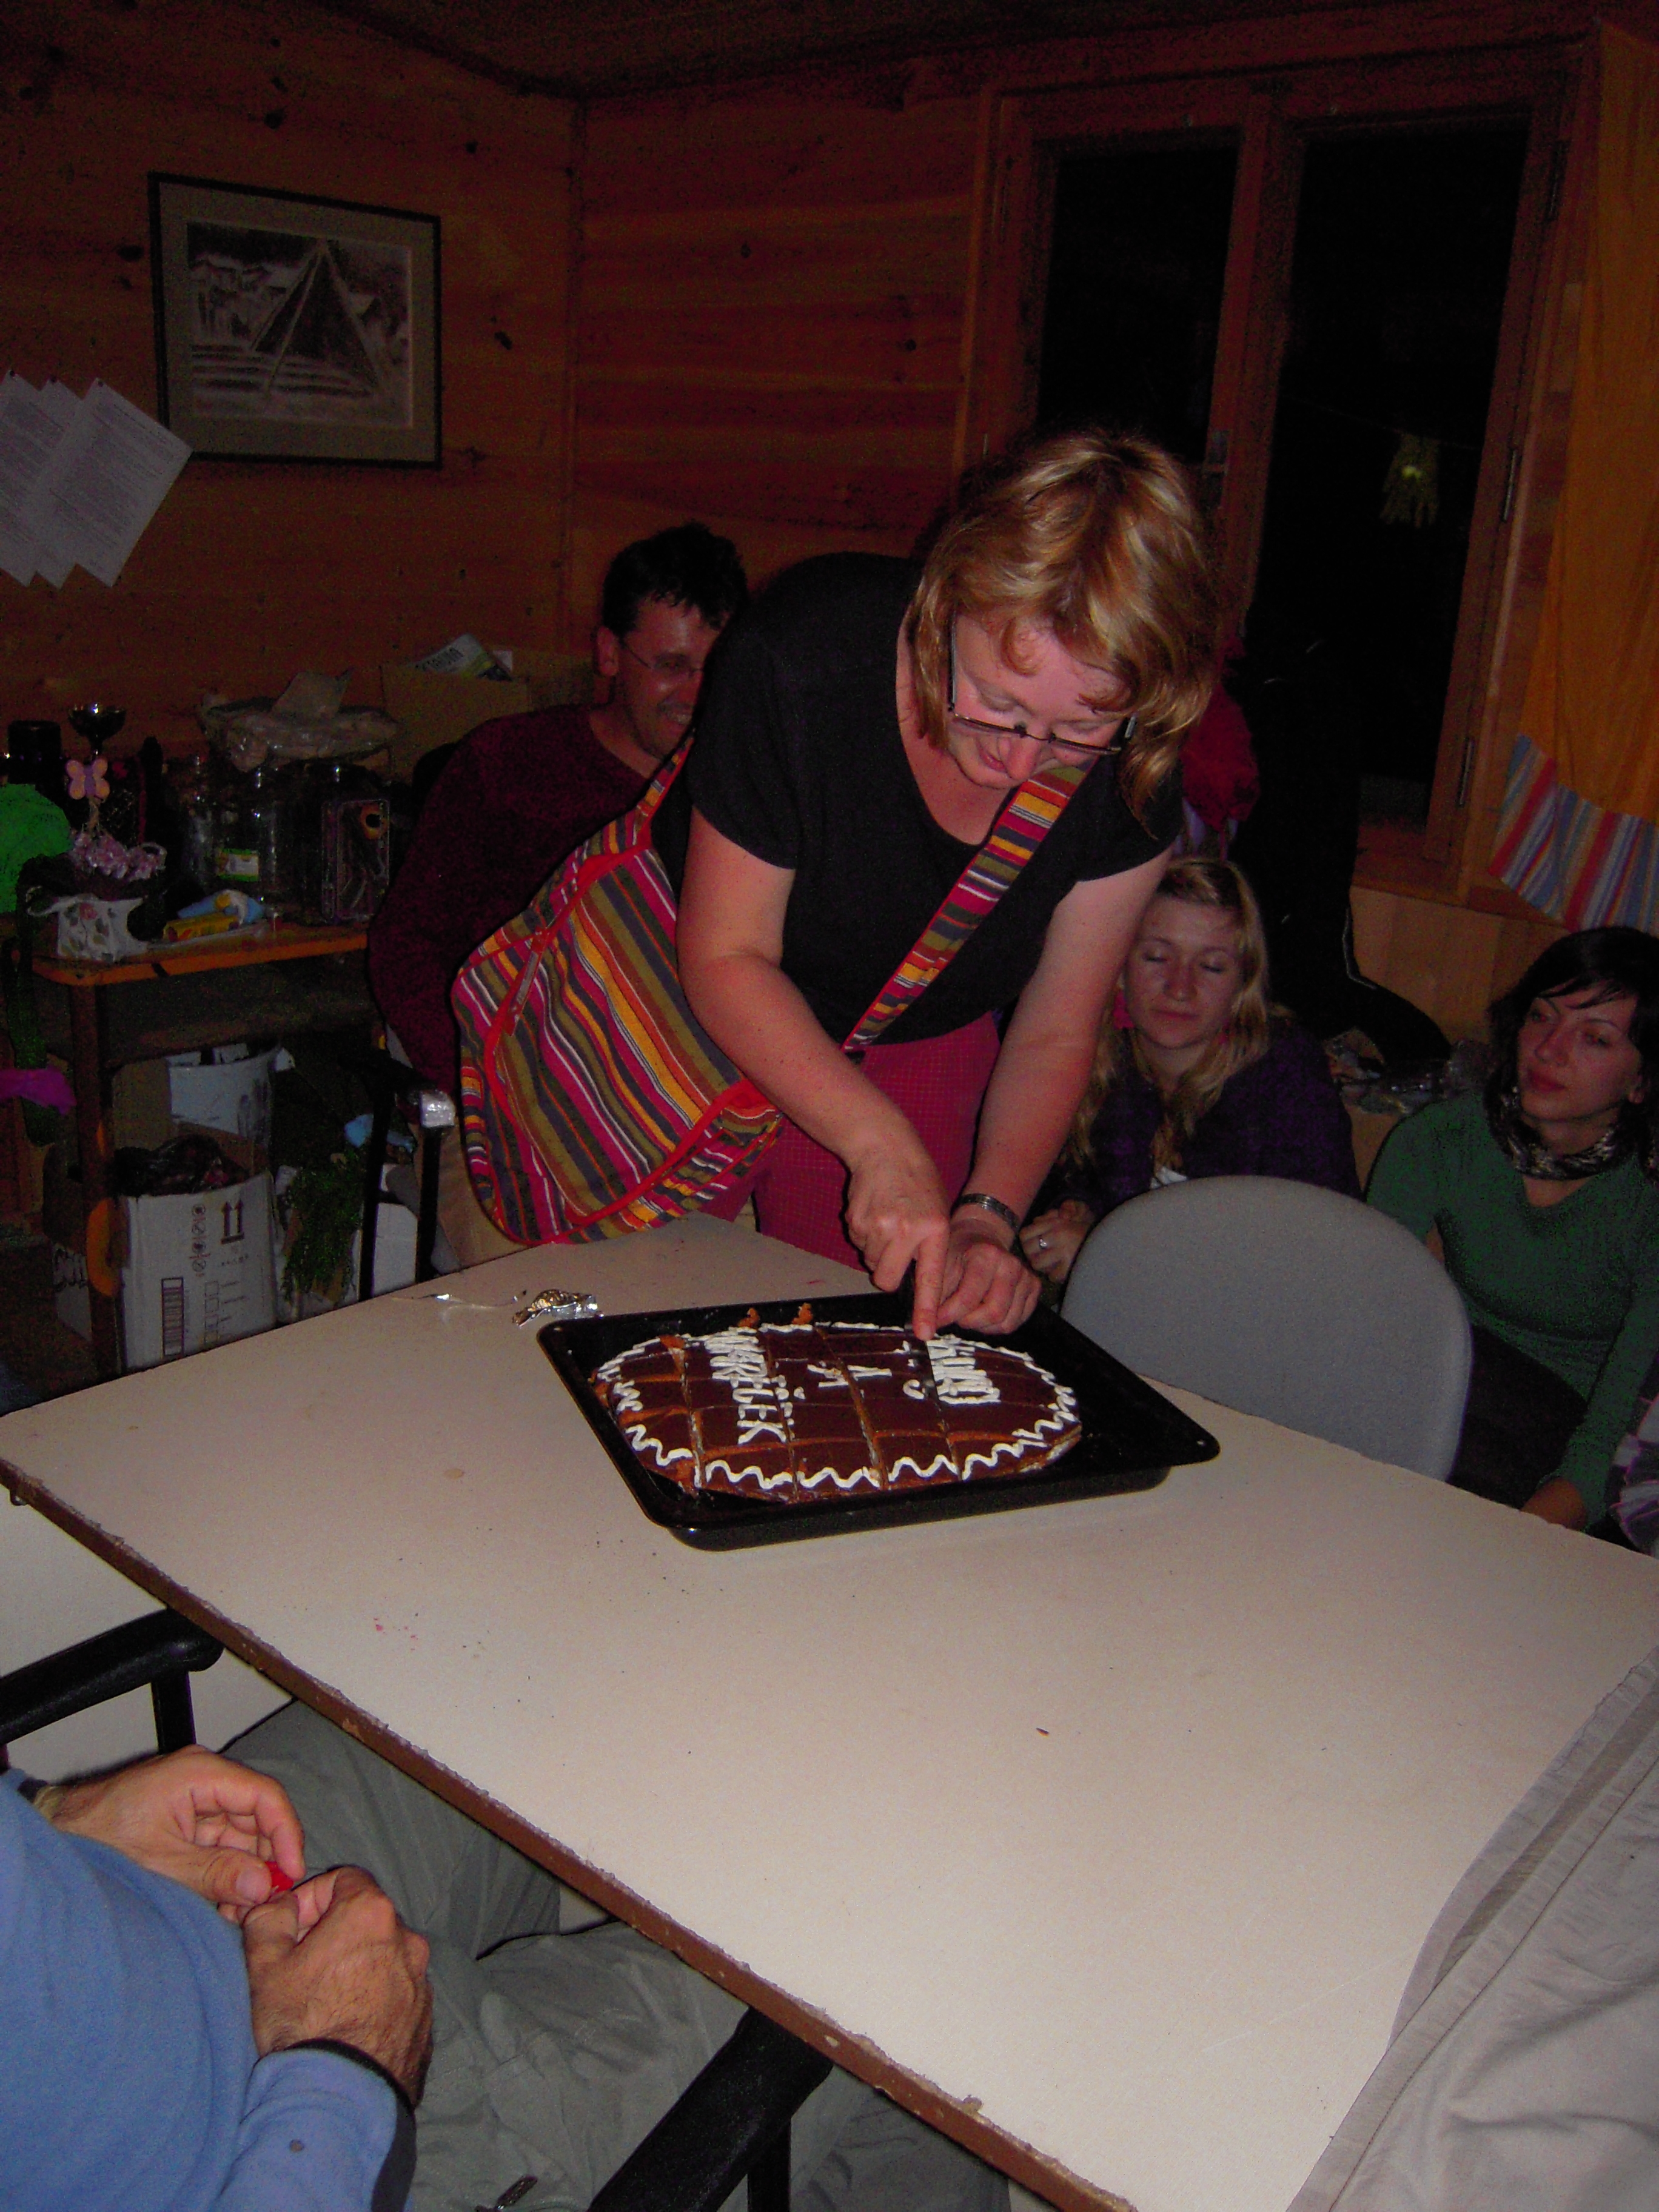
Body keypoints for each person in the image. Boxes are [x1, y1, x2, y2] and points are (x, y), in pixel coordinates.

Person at [2, 1698, 1004, 2212]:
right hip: (291, 2150)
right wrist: (342, 2073)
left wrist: (55, 1815)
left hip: (129, 1903)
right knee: (918, 1904)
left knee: (488, 1693)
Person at [658, 429, 1218, 1341]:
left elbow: (1057, 1027)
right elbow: (726, 955)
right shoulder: (808, 651)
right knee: (633, 1311)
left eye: (1079, 731)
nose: (1021, 763)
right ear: (946, 598)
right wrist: (878, 1142)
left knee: (856, 1348)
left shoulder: (1134, 767)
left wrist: (988, 1215)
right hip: (692, 1005)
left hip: (919, 1034)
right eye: (998, 702)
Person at [367, 522, 746, 1265]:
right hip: (508, 1117)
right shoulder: (509, 765)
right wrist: (477, 1089)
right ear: (608, 654)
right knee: (548, 1299)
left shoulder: (735, 793)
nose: (697, 696)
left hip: (678, 1122)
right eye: (672, 666)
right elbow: (404, 945)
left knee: (737, 1287)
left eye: (717, 669)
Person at [1368, 927, 1659, 1530]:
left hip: (1572, 1436)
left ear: (1642, 1081)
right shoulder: (1442, 1138)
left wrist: (1523, 1539)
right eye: (1541, 1017)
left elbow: (1614, 1433)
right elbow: (1369, 1319)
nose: (1549, 1050)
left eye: (1595, 1038)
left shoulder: (1647, 1201)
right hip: (1448, 1381)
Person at [1019, 858, 1359, 1284]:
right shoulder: (1087, 1057)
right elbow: (1070, 1181)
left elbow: (1305, 1255)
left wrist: (1103, 1250)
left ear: (1243, 983)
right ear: (1118, 967)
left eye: (1211, 966)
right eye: (1157, 958)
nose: (1180, 988)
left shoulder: (1287, 1077)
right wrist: (1074, 1210)